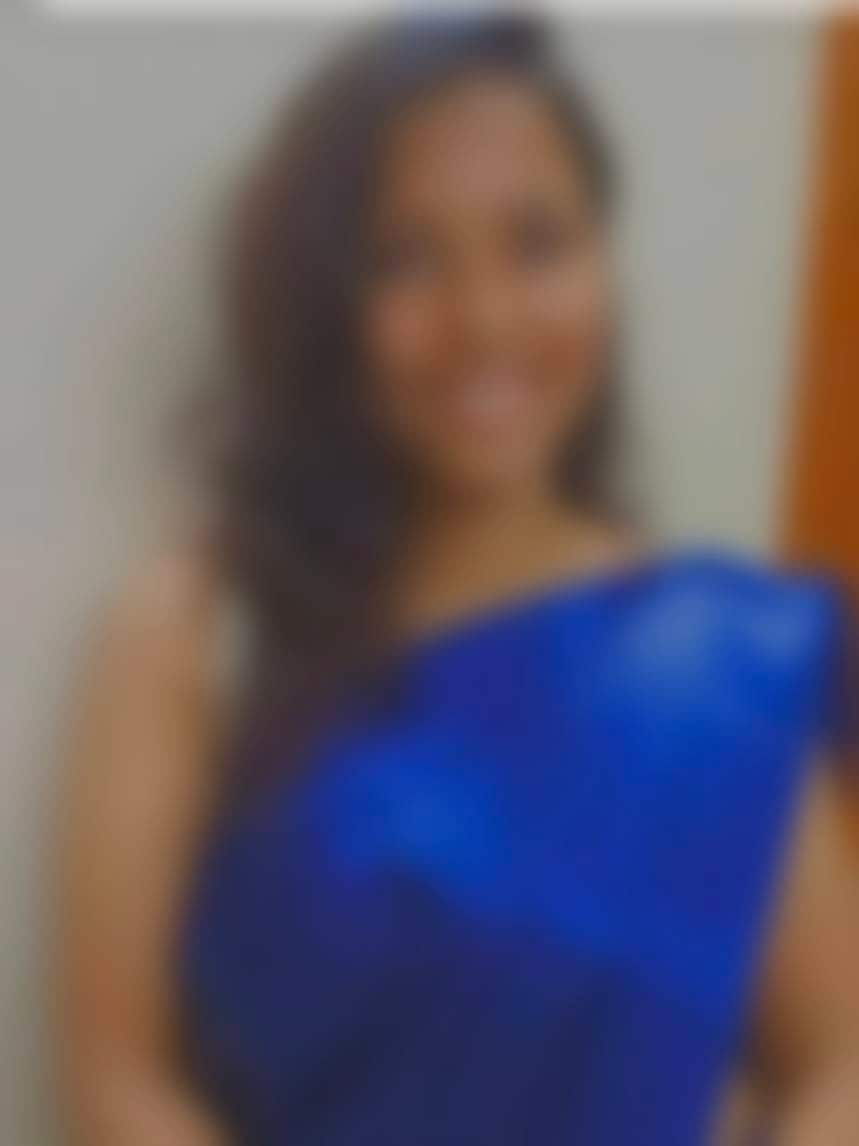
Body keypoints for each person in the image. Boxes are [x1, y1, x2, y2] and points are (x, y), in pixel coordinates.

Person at [56, 14, 859, 1146]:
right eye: (405, 258)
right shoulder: (195, 635)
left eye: (537, 244)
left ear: (602, 265)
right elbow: (118, 1083)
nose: (485, 320)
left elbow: (839, 1064)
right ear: (325, 304)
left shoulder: (726, 663)